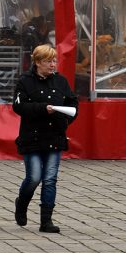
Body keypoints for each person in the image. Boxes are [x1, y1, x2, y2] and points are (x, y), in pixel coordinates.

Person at [12, 44, 79, 234]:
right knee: (34, 177)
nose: (53, 65)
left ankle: (46, 221)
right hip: (32, 137)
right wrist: (43, 108)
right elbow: (18, 107)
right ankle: (22, 203)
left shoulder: (61, 81)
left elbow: (72, 102)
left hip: (54, 136)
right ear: (38, 62)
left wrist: (67, 119)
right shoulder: (25, 81)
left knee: (50, 179)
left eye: (54, 61)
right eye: (49, 61)